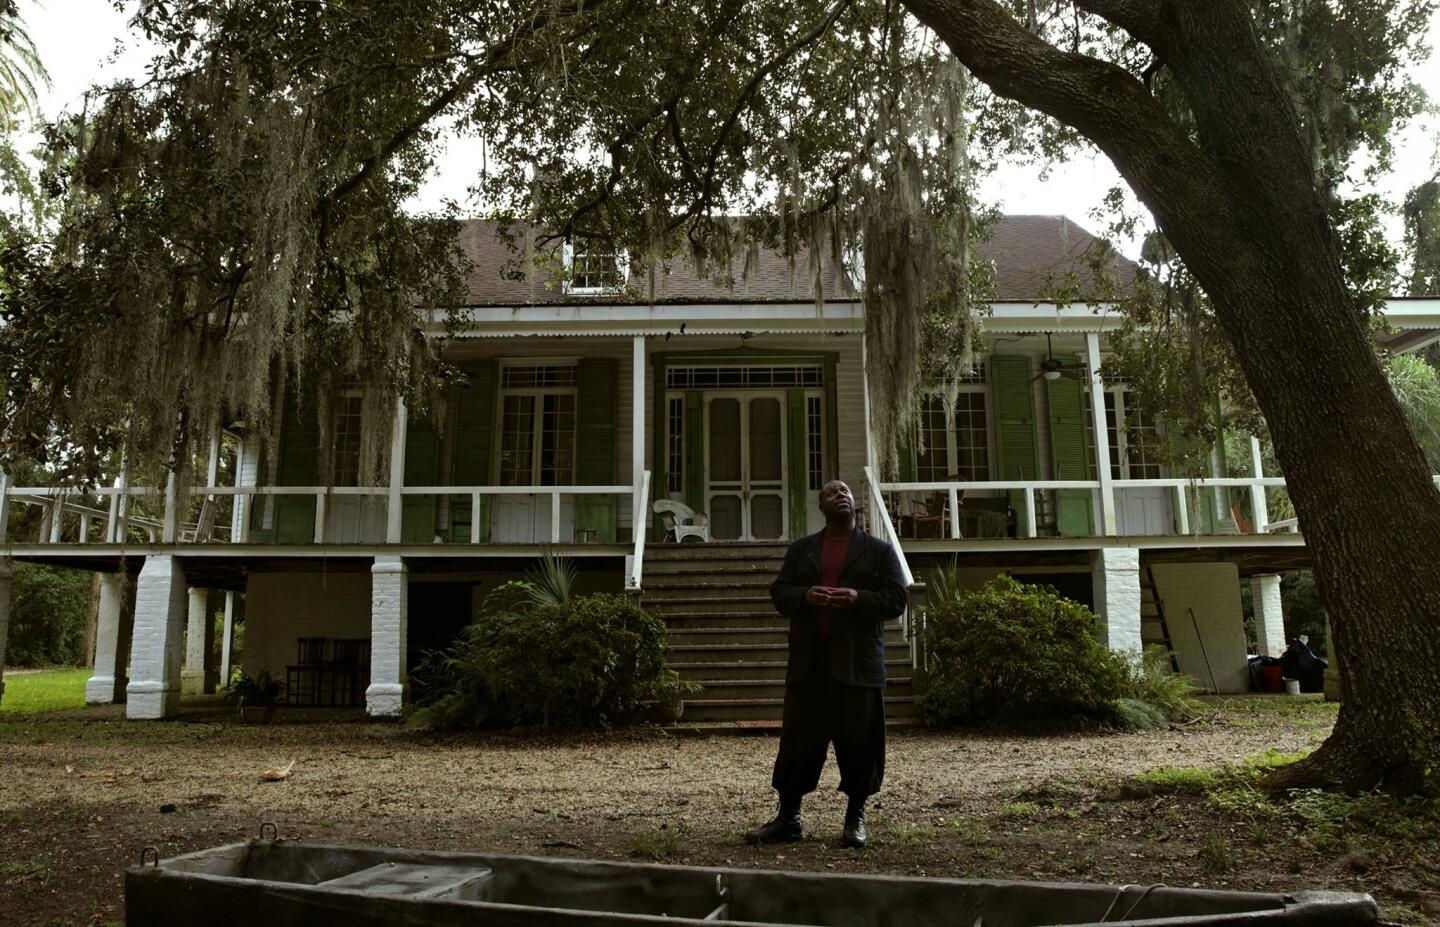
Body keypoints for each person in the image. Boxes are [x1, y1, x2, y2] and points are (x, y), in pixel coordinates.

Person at [744, 479, 909, 849]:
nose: (842, 495)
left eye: (846, 491)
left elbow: (897, 597)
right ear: (822, 506)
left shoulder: (878, 551)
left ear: (854, 504)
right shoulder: (803, 551)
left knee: (860, 745)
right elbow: (779, 592)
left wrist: (858, 598)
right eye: (833, 492)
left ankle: (855, 819)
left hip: (857, 665)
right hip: (810, 665)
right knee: (798, 744)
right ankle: (789, 818)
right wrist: (805, 595)